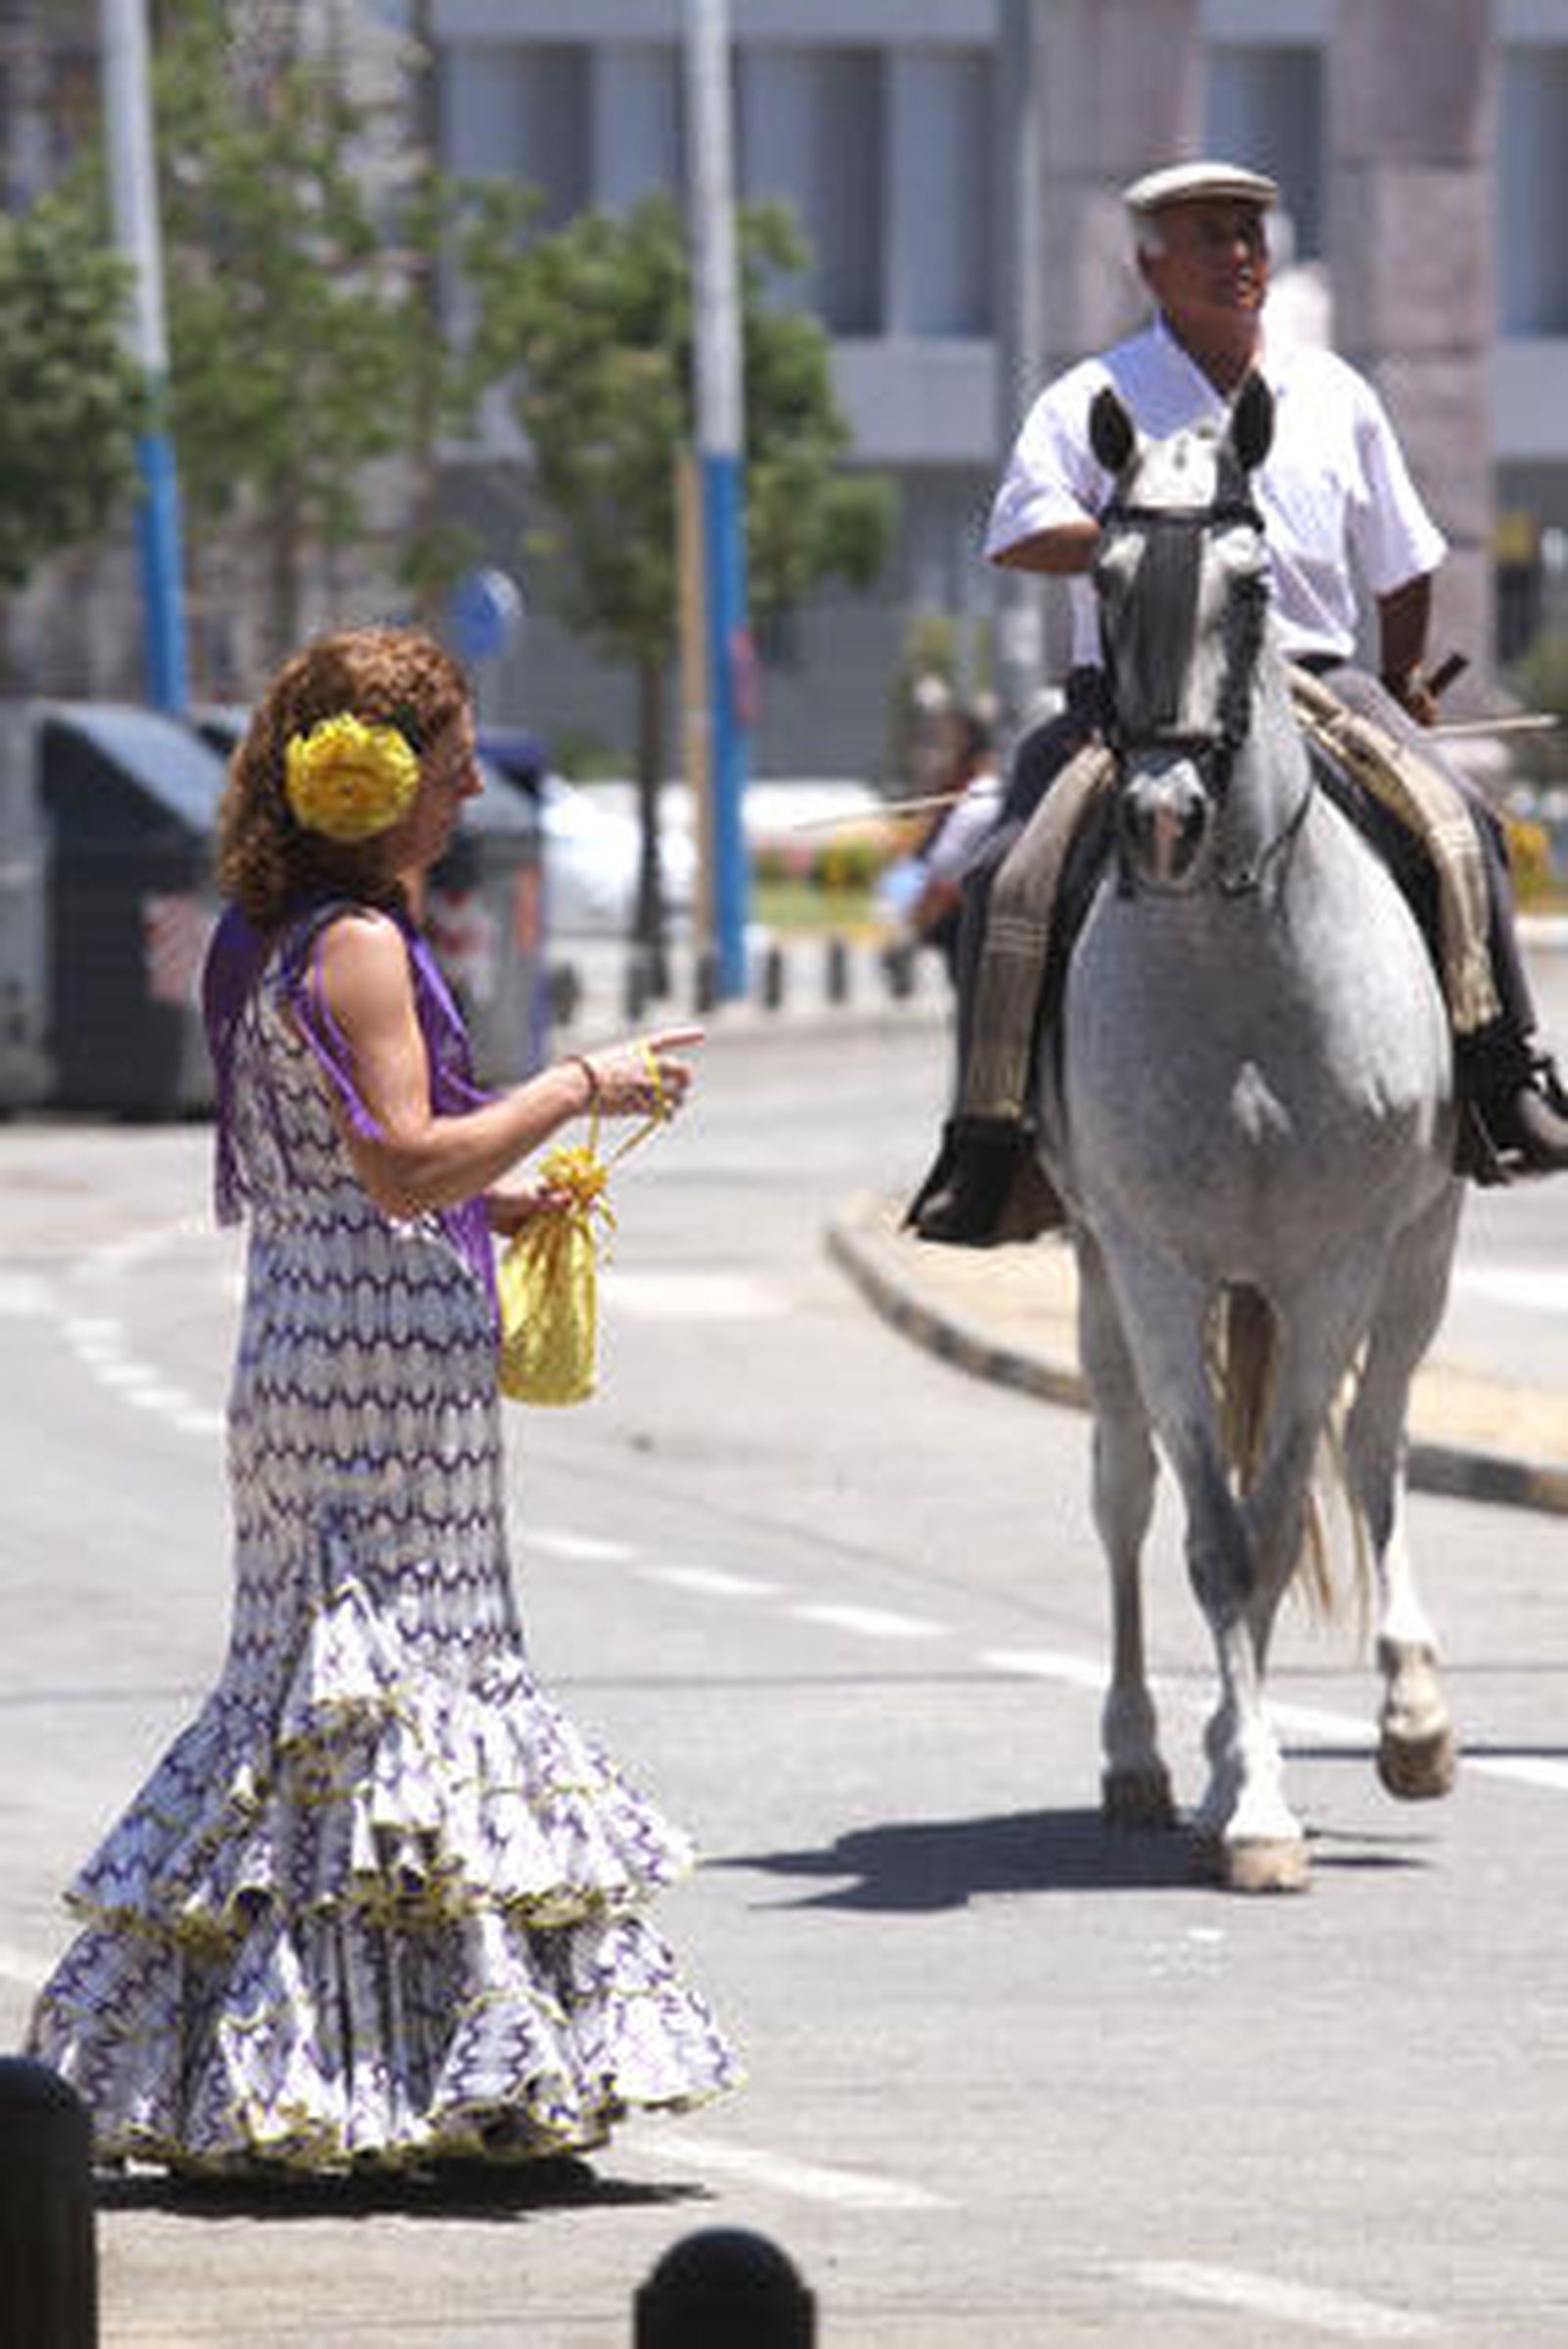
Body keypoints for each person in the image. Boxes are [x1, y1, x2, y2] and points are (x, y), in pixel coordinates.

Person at [25, 624, 738, 2176]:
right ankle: (393, 2080)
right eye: (453, 758)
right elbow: (399, 1159)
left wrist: (512, 1198)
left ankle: (317, 2075)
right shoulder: (352, 947)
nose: (475, 784)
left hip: (316, 1352)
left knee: (317, 1703)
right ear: (375, 778)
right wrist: (577, 1089)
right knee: (404, 1691)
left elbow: (376, 1171)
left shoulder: (263, 933)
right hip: (373, 1388)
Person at [911, 157, 1568, 1246]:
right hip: (1136, 696)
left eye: (1250, 235)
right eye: (1208, 236)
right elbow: (1018, 531)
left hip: (1315, 675)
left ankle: (1504, 1078)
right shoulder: (1091, 397)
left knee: (1462, 827)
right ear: (1150, 262)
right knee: (1003, 873)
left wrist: (1401, 680)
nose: (1236, 257)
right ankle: (990, 1137)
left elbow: (1401, 562)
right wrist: (1150, 541)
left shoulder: (1333, 393)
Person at [906, 706, 1004, 983]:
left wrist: (922, 914)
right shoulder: (962, 793)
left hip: (968, 925)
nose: (936, 758)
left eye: (944, 745)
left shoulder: (978, 797)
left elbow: (944, 867)